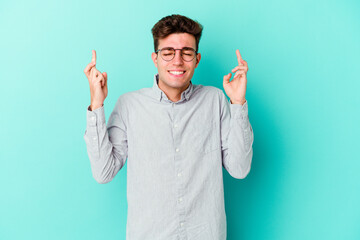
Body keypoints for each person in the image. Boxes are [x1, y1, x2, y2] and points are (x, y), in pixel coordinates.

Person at [83, 14, 254, 240]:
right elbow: (103, 172)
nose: (177, 61)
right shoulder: (129, 105)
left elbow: (239, 169)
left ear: (197, 58)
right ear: (155, 58)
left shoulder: (215, 100)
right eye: (168, 53)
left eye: (186, 53)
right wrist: (96, 104)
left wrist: (238, 103)